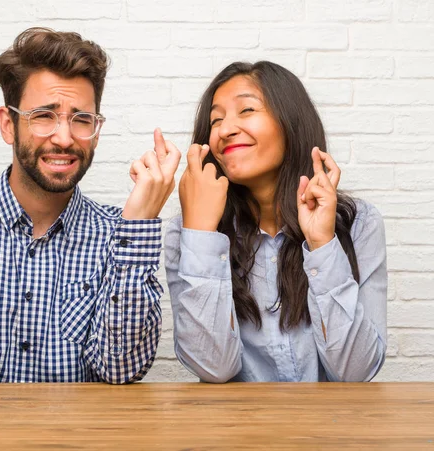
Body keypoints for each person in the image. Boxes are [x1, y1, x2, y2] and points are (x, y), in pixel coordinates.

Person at [0, 27, 181, 386]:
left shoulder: (119, 237)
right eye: (44, 115)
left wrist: (139, 224)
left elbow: (120, 370)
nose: (64, 138)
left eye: (82, 119)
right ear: (8, 125)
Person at [165, 61, 387, 383]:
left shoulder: (358, 224)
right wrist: (200, 232)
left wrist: (322, 244)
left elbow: (356, 372)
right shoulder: (185, 235)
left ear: (290, 122)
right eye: (216, 120)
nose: (225, 130)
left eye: (247, 110)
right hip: (238, 429)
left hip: (333, 429)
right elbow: (213, 368)